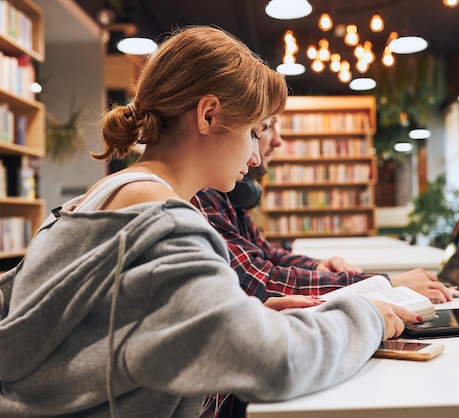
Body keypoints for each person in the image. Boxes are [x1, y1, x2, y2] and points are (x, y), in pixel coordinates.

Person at [0, 26, 418, 418]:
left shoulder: (92, 204)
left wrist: (245, 317)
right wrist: (366, 315)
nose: (255, 157)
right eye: (254, 132)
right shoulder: (164, 222)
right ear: (209, 116)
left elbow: (134, 345)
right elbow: (275, 364)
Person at [191, 116, 454, 304]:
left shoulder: (223, 195)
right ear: (209, 116)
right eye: (261, 129)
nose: (276, 142)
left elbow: (265, 256)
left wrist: (318, 266)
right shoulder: (198, 195)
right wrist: (382, 285)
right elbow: (259, 281)